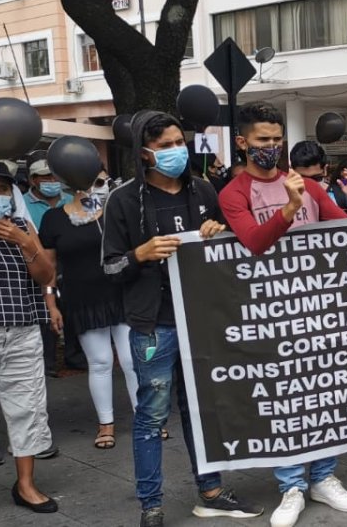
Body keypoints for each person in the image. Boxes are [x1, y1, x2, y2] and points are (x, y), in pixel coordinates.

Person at [102, 111, 262, 527]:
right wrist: (140, 254)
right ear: (145, 153)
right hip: (153, 325)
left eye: (179, 142)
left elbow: (232, 253)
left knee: (202, 409)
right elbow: (109, 268)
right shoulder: (122, 200)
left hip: (200, 318)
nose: (176, 151)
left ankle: (210, 491)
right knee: (152, 415)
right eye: (165, 146)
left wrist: (219, 231)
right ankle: (150, 504)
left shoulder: (205, 191)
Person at [218, 103, 347, 527]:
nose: (271, 147)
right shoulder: (234, 193)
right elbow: (254, 242)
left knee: (322, 395)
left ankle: (323, 477)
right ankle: (291, 486)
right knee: (284, 399)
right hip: (269, 311)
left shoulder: (307, 186)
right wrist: (289, 207)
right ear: (243, 143)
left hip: (318, 307)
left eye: (276, 140)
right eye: (262, 140)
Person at [0, 158, 61, 523]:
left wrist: (26, 243)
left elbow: (46, 274)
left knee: (27, 406)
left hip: (23, 330)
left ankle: (25, 484)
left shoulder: (21, 225)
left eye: (1, 189)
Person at [39, 168, 137, 449]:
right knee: (101, 362)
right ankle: (105, 423)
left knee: (132, 359)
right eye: (95, 182)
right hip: (82, 300)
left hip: (121, 294)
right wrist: (51, 304)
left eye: (105, 181)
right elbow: (49, 268)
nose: (101, 187)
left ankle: (147, 418)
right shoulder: (54, 218)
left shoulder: (115, 213)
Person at [24, 160, 85, 375]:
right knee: (47, 314)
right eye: (45, 177)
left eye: (54, 177)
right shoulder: (23, 204)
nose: (51, 181)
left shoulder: (72, 200)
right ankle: (47, 364)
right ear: (33, 180)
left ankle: (75, 357)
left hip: (70, 265)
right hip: (38, 266)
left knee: (73, 312)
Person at [289, 141, 347, 217]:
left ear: (325, 170)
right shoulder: (285, 197)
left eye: (316, 178)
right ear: (291, 171)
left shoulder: (342, 195)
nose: (310, 184)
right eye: (302, 179)